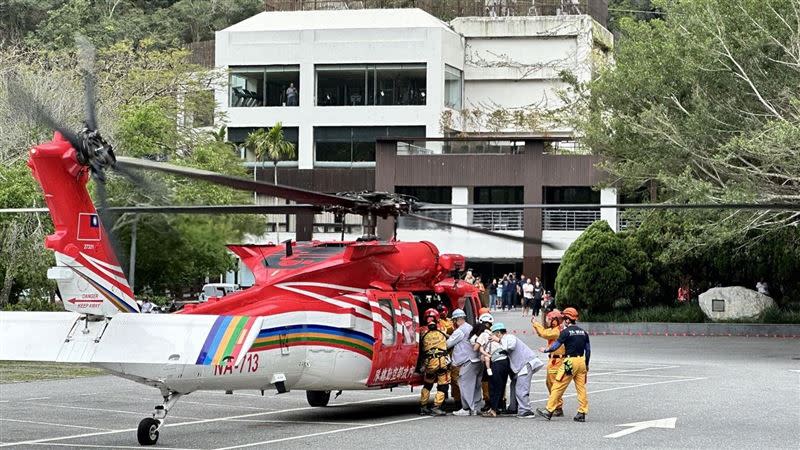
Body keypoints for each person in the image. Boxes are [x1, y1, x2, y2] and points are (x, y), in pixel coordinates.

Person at [536, 307, 590, 422]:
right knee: (581, 388)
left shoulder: (565, 332)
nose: (563, 320)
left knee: (558, 385)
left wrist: (545, 350)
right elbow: (588, 350)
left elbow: (555, 346)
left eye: (564, 318)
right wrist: (586, 365)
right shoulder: (584, 333)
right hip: (581, 362)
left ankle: (549, 410)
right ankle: (582, 412)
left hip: (570, 362)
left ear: (568, 320)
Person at [490, 322, 544, 418]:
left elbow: (511, 346)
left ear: (498, 333)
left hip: (525, 364)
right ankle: (513, 408)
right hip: (520, 366)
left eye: (493, 334)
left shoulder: (509, 337)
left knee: (521, 388)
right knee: (513, 386)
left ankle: (526, 411)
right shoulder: (505, 339)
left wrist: (498, 340)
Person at [446, 309, 482, 416]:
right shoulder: (470, 327)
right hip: (477, 360)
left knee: (465, 385)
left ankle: (466, 408)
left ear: (456, 319)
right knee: (475, 385)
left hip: (467, 362)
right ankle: (476, 407)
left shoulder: (459, 331)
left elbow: (448, 344)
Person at [532, 309, 566, 417]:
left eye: (549, 319)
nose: (547, 321)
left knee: (554, 384)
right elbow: (542, 334)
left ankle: (557, 407)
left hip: (557, 360)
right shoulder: (556, 330)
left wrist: (535, 324)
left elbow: (544, 333)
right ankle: (556, 405)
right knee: (549, 383)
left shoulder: (557, 331)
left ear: (555, 321)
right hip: (553, 360)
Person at [419, 309, 450, 416]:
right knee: (443, 385)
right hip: (441, 362)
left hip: (429, 362)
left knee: (427, 384)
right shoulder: (442, 328)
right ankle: (436, 407)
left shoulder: (421, 330)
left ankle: (423, 406)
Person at [471, 313, 494, 410]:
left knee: (485, 380)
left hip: (487, 360)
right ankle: (500, 402)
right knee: (497, 380)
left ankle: (488, 402)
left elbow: (475, 348)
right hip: (497, 359)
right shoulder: (495, 333)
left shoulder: (481, 334)